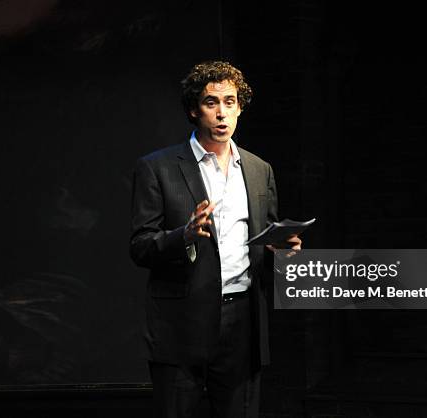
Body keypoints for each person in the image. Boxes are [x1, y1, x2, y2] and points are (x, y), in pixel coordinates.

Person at [130, 61, 301, 417]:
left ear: (240, 108)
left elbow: (261, 242)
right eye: (211, 102)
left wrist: (281, 251)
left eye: (230, 101)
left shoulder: (258, 169)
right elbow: (141, 246)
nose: (222, 113)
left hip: (242, 320)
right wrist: (184, 235)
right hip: (181, 323)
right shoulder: (158, 167)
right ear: (194, 109)